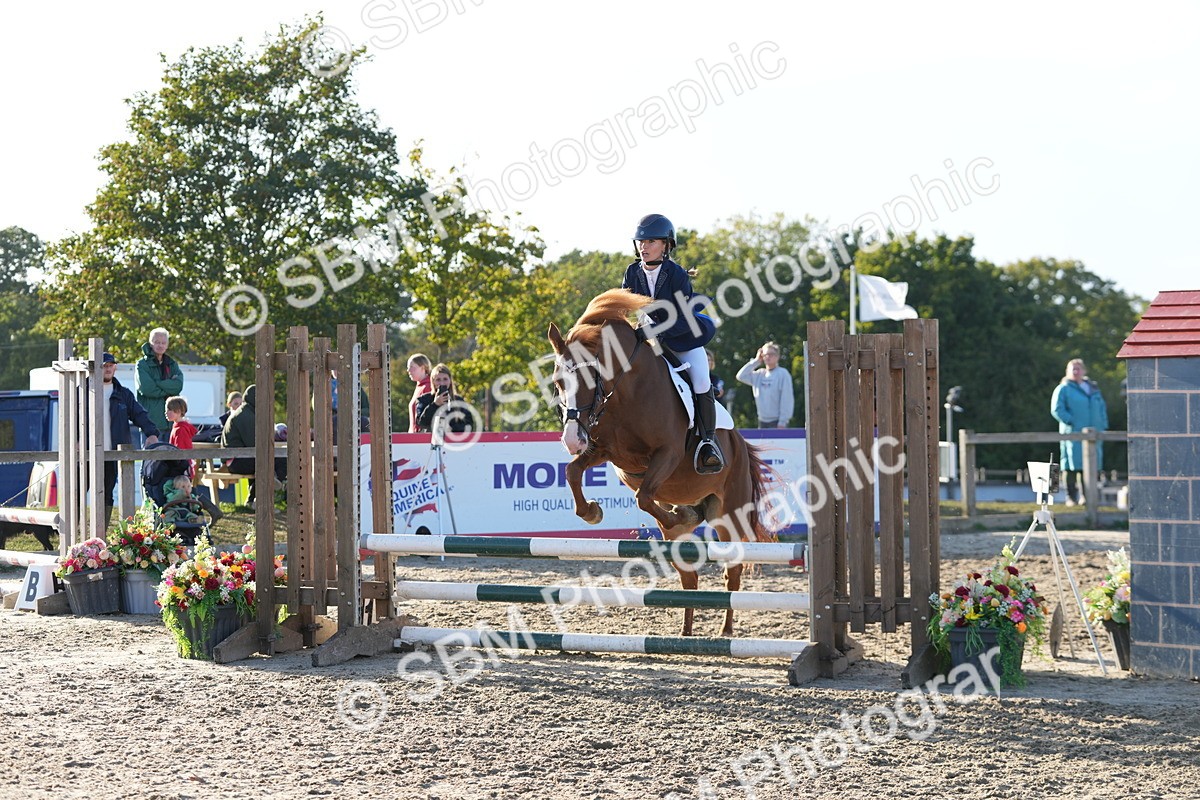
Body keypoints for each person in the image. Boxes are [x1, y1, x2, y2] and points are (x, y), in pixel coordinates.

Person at [621, 213, 724, 474]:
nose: (643, 246)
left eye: (651, 241)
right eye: (640, 241)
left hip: (683, 338)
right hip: (649, 342)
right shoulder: (632, 273)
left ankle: (708, 443)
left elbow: (681, 318)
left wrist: (654, 329)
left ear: (666, 245)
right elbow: (623, 308)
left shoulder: (676, 274)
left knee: (701, 381)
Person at [97, 352, 159, 529]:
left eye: (111, 365)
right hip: (87, 453)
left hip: (112, 454)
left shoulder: (123, 394)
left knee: (107, 494)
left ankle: (101, 533)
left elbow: (139, 414)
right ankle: (76, 530)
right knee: (78, 494)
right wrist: (78, 439)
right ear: (97, 368)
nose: (108, 368)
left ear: (115, 367)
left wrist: (151, 433)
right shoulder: (85, 392)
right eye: (104, 365)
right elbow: (73, 418)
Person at [1051, 358, 1108, 506]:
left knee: (1091, 465)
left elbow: (1101, 407)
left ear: (1084, 371)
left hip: (1094, 433)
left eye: (1078, 368)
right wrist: (1071, 422)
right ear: (1067, 371)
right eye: (1072, 369)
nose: (1076, 371)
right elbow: (1057, 409)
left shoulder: (1093, 389)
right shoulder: (1063, 388)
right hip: (1073, 433)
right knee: (1070, 465)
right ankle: (1070, 497)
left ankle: (1087, 497)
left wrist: (1103, 424)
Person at [220, 384, 286, 508]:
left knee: (266, 462)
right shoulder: (246, 416)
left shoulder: (248, 411)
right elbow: (255, 444)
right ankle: (268, 487)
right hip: (236, 461)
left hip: (239, 458)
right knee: (281, 460)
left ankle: (254, 500)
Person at [165, 395, 223, 522]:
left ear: (178, 411)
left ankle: (209, 511)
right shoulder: (178, 427)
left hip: (183, 466)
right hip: (183, 465)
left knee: (187, 491)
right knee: (188, 491)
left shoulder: (180, 430)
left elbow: (182, 451)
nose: (166, 412)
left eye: (170, 410)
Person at [135, 327, 184, 439]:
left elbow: (178, 387)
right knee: (150, 456)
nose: (160, 345)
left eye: (163, 342)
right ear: (151, 343)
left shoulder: (172, 364)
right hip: (150, 423)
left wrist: (157, 383)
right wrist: (168, 387)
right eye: (157, 342)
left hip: (172, 424)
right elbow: (147, 389)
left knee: (171, 456)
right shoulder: (142, 364)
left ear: (167, 345)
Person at [736, 341, 794, 428]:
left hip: (778, 422)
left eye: (771, 354)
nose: (767, 357)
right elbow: (740, 376)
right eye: (765, 354)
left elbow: (787, 399)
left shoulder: (783, 374)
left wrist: (783, 422)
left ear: (777, 356)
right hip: (762, 421)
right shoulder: (759, 374)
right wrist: (756, 361)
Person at [415, 363, 471, 435]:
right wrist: (435, 405)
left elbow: (468, 424)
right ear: (433, 381)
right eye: (438, 380)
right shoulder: (423, 399)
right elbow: (421, 423)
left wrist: (451, 426)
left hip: (454, 441)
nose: (442, 383)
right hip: (429, 440)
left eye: (445, 379)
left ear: (450, 380)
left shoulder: (459, 401)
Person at [407, 354, 433, 433]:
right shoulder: (419, 387)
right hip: (415, 436)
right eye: (408, 367)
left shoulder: (428, 387)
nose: (408, 370)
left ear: (423, 368)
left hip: (421, 438)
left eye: (412, 367)